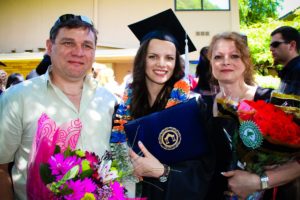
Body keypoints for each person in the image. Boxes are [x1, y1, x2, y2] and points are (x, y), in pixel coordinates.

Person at [0, 14, 117, 200]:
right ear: (49, 46)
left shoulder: (109, 101)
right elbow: (1, 169)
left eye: (87, 45)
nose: (78, 52)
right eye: (68, 43)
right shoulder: (17, 98)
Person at [110, 9, 214, 200]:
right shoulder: (124, 106)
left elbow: (204, 171)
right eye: (153, 56)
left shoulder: (191, 107)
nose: (161, 64)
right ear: (142, 59)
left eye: (169, 58)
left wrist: (162, 171)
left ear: (176, 62)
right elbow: (113, 152)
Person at [206, 31, 300, 200]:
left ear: (246, 61)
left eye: (234, 56)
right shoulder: (203, 107)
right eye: (218, 57)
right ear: (210, 62)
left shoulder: (271, 101)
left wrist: (259, 181)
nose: (226, 61)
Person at [270, 26, 300, 95]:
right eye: (270, 45)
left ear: (292, 45)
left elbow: (290, 104)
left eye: (275, 44)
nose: (271, 49)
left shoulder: (297, 71)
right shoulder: (289, 71)